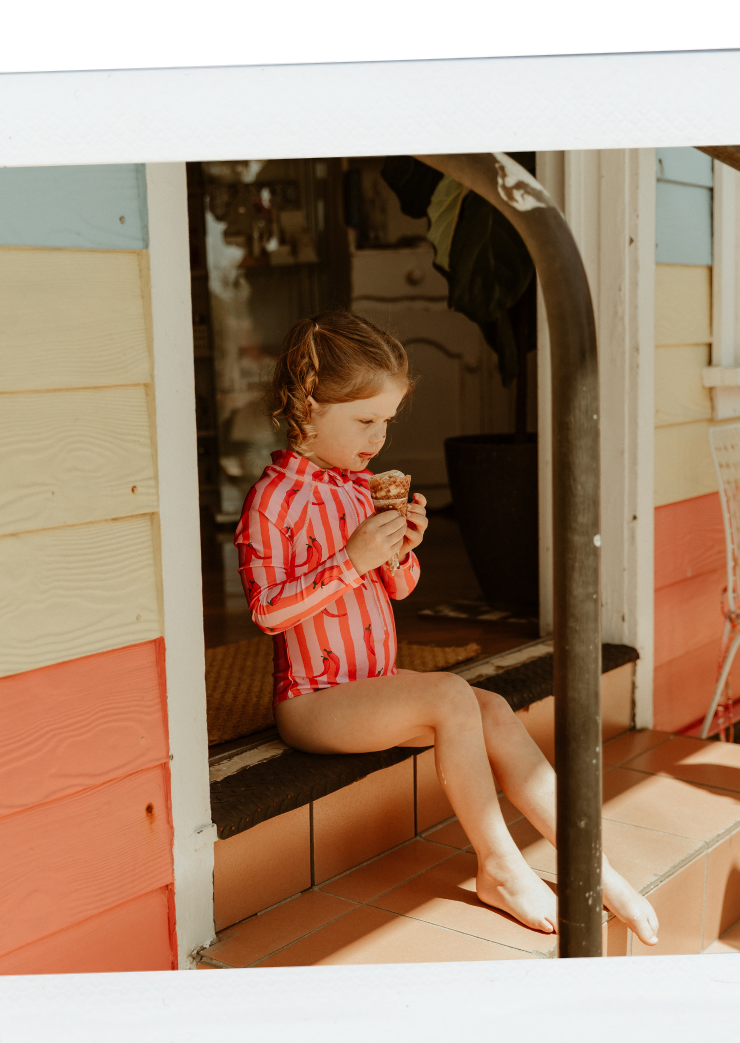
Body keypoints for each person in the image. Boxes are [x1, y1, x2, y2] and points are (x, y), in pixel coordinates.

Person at [236, 310, 660, 944]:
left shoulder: (359, 489)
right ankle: (499, 865)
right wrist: (351, 561)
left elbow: (398, 589)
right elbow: (268, 612)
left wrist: (401, 550)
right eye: (364, 420)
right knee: (450, 694)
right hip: (316, 700)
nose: (378, 438)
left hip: (372, 683)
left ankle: (591, 863)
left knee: (487, 706)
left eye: (387, 421)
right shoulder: (273, 500)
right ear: (307, 404)